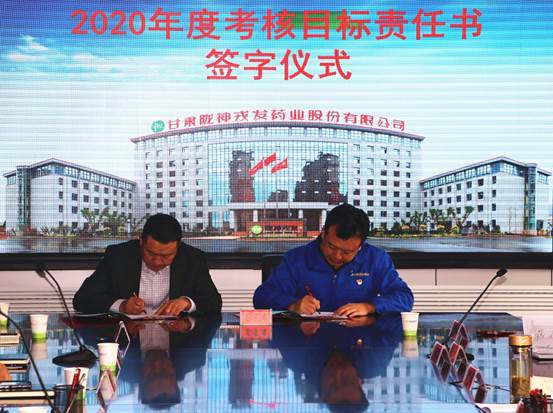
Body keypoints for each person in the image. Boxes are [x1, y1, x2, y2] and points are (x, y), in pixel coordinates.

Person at [253, 203, 413, 315]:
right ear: (323, 233)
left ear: (360, 246)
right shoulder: (296, 259)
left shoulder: (376, 259)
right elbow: (262, 297)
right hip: (307, 343)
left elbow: (404, 298)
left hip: (359, 342)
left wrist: (370, 306)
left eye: (347, 252)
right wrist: (292, 304)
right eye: (331, 246)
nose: (337, 256)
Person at [73, 213, 222, 315]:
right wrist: (121, 305)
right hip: (130, 342)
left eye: (166, 256)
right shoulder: (118, 256)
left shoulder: (193, 259)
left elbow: (214, 302)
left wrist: (186, 303)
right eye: (151, 253)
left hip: (176, 340)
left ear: (178, 247)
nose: (157, 261)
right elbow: (82, 299)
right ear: (141, 241)